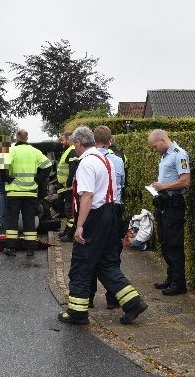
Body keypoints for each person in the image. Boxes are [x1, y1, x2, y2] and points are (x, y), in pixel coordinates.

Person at [59, 126, 147, 325]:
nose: (74, 148)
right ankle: (133, 302)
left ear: (80, 143)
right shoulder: (106, 159)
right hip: (110, 213)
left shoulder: (87, 163)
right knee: (106, 263)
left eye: (75, 144)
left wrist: (79, 226)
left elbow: (87, 195)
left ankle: (77, 312)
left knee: (82, 263)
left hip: (95, 216)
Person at [148, 129, 191, 296]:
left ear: (162, 140)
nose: (154, 149)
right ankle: (171, 278)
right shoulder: (165, 156)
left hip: (174, 205)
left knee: (174, 245)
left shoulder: (179, 154)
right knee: (165, 243)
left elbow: (185, 181)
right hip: (164, 203)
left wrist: (163, 187)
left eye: (154, 146)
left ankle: (179, 283)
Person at [90, 125, 126, 309]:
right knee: (112, 255)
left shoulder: (90, 159)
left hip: (96, 210)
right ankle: (114, 299)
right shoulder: (118, 160)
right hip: (115, 209)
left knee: (90, 253)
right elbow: (122, 184)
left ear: (93, 140)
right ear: (110, 140)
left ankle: (87, 298)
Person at [3, 129, 52, 257]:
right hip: (30, 192)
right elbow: (48, 165)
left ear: (16, 138)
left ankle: (11, 248)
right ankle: (30, 248)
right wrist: (39, 179)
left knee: (12, 220)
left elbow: (2, 167)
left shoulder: (11, 150)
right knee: (29, 219)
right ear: (27, 137)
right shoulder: (34, 151)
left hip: (14, 192)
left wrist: (7, 178)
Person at [57, 132, 79, 243]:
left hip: (70, 188)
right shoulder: (69, 150)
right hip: (67, 188)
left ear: (69, 139)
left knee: (70, 211)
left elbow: (73, 167)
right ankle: (67, 231)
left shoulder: (72, 150)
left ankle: (70, 235)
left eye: (63, 140)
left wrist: (69, 182)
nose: (62, 142)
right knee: (68, 211)